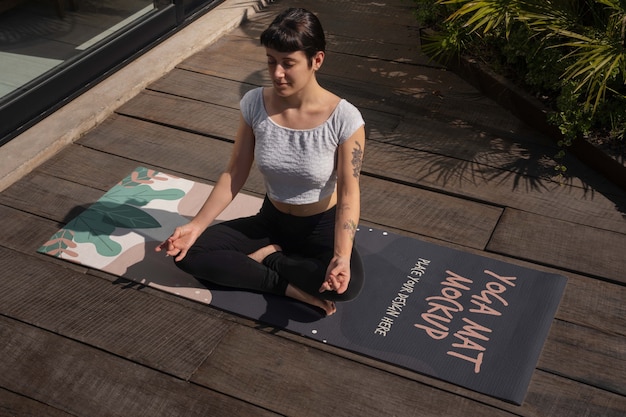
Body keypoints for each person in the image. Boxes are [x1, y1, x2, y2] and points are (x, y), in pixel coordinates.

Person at [156, 7, 365, 316]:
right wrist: (196, 226)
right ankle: (289, 286)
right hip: (272, 220)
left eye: (288, 63)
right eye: (271, 62)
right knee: (189, 254)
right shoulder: (255, 103)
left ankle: (270, 259)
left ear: (316, 60)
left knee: (348, 286)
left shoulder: (345, 119)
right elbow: (235, 172)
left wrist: (341, 255)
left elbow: (349, 191)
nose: (277, 73)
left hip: (320, 226)